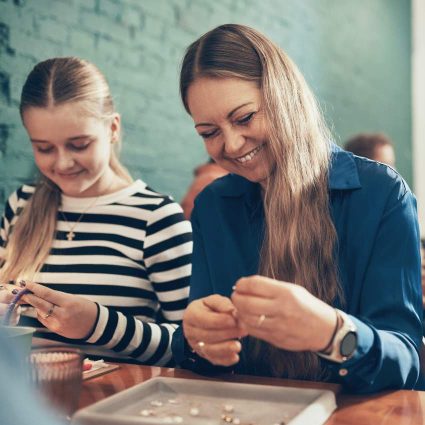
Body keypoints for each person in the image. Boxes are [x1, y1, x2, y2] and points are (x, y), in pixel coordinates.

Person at [171, 24, 423, 393]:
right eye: (209, 132)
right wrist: (195, 339)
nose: (233, 143)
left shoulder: (382, 194)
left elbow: (407, 360)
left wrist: (332, 333)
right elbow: (199, 350)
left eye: (244, 118)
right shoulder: (211, 206)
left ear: (284, 97)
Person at [0, 57, 192, 365]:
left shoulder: (156, 217)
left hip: (112, 403)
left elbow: (192, 346)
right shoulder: (20, 205)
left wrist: (98, 325)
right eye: (44, 148)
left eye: (79, 144)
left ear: (113, 128)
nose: (62, 163)